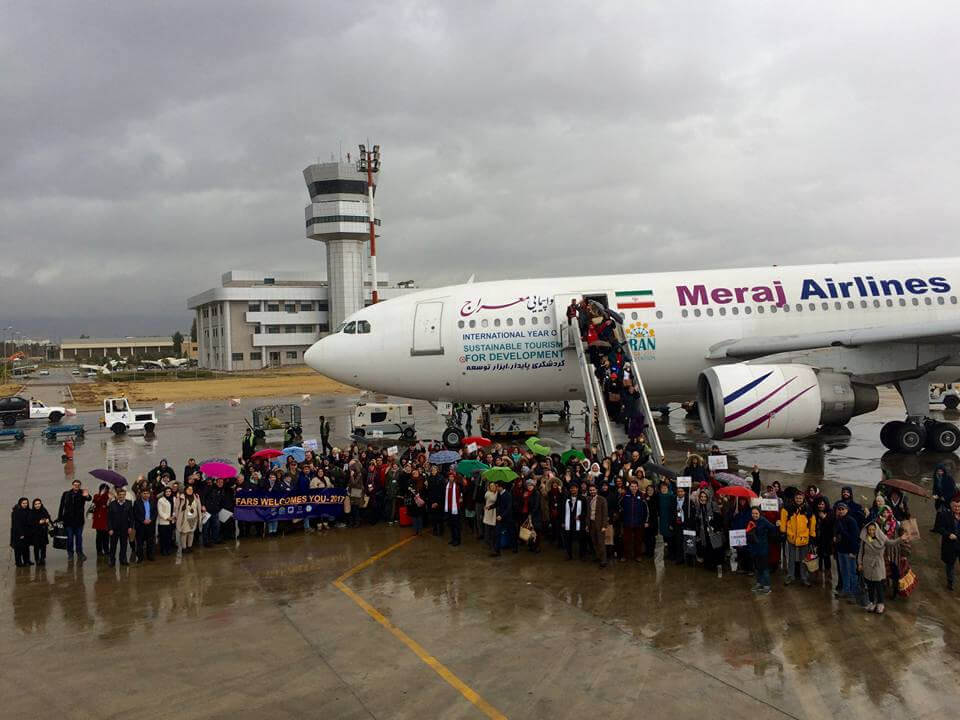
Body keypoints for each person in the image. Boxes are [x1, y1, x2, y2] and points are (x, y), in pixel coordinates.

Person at [858, 519, 906, 613]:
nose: (871, 531)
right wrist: (859, 563)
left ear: (876, 530)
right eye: (869, 530)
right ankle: (872, 602)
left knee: (878, 585)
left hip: (878, 564)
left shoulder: (882, 538)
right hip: (867, 564)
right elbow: (861, 552)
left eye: (873, 529)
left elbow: (891, 543)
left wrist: (901, 538)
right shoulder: (865, 540)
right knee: (870, 585)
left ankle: (880, 603)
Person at [780, 490, 816, 586]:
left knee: (803, 559)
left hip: (804, 538)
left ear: (803, 498)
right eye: (797, 498)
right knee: (791, 558)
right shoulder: (787, 508)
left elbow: (812, 523)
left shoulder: (808, 509)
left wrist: (812, 535)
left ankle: (804, 577)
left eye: (800, 498)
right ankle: (790, 576)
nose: (798, 500)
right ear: (794, 498)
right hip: (791, 537)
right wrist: (783, 532)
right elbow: (783, 521)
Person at [56, 479, 90, 560]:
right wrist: (60, 518)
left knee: (79, 538)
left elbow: (89, 498)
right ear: (72, 485)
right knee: (70, 538)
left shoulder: (83, 493)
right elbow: (61, 506)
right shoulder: (66, 494)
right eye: (75, 485)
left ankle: (80, 553)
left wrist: (87, 496)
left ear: (80, 486)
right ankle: (70, 553)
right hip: (68, 521)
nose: (76, 486)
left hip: (79, 521)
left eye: (78, 485)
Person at [833, 503, 861, 600]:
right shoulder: (838, 520)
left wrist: (854, 551)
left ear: (847, 510)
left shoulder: (851, 521)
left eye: (842, 509)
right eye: (839, 509)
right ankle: (846, 590)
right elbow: (836, 533)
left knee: (852, 572)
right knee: (843, 571)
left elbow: (855, 537)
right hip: (840, 550)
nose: (841, 511)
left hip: (849, 551)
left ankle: (854, 594)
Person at [746, 507, 775, 594]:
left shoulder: (764, 520)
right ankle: (759, 583)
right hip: (755, 549)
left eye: (756, 513)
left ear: (759, 513)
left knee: (764, 568)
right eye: (753, 513)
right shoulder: (750, 522)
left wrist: (765, 537)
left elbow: (772, 528)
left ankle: (767, 586)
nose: (754, 515)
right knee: (758, 568)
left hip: (763, 549)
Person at [620, 479, 647, 562]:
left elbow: (646, 510)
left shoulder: (642, 496)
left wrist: (645, 521)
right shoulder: (625, 495)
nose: (634, 488)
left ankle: (638, 556)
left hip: (638, 522)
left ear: (637, 487)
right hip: (627, 522)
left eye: (635, 486)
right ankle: (625, 556)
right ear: (629, 487)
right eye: (632, 486)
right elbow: (619, 506)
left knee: (638, 540)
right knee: (626, 540)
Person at [107, 488, 134, 567]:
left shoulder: (129, 503)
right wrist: (110, 528)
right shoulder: (112, 504)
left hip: (125, 529)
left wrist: (130, 527)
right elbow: (109, 518)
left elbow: (131, 517)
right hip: (114, 529)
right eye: (120, 495)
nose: (121, 496)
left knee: (124, 545)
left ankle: (123, 559)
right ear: (117, 496)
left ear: (125, 495)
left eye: (123, 495)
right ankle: (112, 560)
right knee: (113, 546)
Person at [562, 483, 586, 561]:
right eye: (571, 488)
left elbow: (585, 511)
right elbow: (562, 511)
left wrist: (580, 516)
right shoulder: (566, 498)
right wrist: (563, 522)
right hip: (568, 522)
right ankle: (569, 555)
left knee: (581, 539)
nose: (573, 489)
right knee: (568, 539)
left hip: (579, 522)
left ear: (578, 489)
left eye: (575, 488)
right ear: (570, 489)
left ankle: (582, 555)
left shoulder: (582, 498)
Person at [492, 480, 515, 557]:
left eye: (497, 486)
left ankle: (514, 547)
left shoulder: (508, 495)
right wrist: (490, 507)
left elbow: (509, 508)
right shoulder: (499, 494)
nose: (496, 487)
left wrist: (502, 516)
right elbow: (497, 503)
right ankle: (497, 551)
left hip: (508, 517)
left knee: (511, 532)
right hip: (500, 518)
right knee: (497, 533)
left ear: (501, 487)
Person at [133, 488, 156, 562]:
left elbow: (155, 512)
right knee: (140, 542)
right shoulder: (137, 502)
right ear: (141, 494)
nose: (146, 495)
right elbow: (135, 514)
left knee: (150, 541)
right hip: (140, 525)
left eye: (147, 493)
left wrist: (151, 519)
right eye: (144, 493)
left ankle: (150, 556)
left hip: (150, 524)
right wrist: (143, 520)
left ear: (149, 494)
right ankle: (140, 557)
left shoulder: (153, 502)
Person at [176, 486, 202, 553]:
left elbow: (199, 506)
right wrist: (176, 516)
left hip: (194, 518)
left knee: (191, 532)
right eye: (188, 489)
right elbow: (177, 507)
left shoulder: (196, 497)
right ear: (185, 490)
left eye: (191, 489)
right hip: (184, 518)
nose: (190, 490)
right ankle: (184, 548)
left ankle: (190, 546)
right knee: (184, 533)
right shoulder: (182, 497)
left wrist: (200, 516)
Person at [202, 478, 225, 546]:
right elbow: (203, 496)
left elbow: (221, 500)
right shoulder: (210, 488)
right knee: (206, 527)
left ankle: (215, 539)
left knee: (216, 526)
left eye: (222, 482)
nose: (220, 483)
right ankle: (206, 541)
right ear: (216, 482)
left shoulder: (222, 490)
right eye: (219, 482)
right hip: (207, 511)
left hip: (215, 511)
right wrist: (203, 505)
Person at [29, 498, 52, 566]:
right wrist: (38, 522)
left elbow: (48, 516)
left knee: (43, 546)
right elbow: (30, 522)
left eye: (39, 503)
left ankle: (42, 558)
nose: (37, 505)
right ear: (34, 505)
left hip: (43, 531)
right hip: (35, 533)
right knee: (36, 547)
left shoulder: (43, 510)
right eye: (36, 504)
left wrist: (48, 519)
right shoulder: (32, 512)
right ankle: (37, 559)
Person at [10, 498, 32, 567]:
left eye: (26, 503)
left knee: (26, 547)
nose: (25, 504)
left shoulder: (29, 510)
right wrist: (21, 533)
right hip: (18, 533)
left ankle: (27, 560)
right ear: (20, 503)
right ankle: (18, 562)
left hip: (26, 532)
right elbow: (16, 524)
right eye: (23, 503)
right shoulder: (16, 512)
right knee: (18, 548)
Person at [444, 471, 463, 547]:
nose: (451, 478)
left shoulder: (458, 485)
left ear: (454, 478)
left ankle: (457, 540)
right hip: (449, 508)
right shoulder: (447, 485)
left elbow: (462, 492)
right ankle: (453, 539)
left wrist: (461, 497)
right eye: (450, 477)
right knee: (451, 525)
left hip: (455, 508)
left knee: (456, 525)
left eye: (452, 477)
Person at [91, 484, 111, 557]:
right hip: (98, 518)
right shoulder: (96, 496)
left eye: (106, 489)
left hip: (106, 518)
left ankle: (106, 550)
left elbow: (110, 506)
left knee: (106, 535)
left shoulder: (109, 496)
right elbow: (96, 502)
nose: (104, 490)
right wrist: (101, 495)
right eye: (103, 489)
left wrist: (109, 500)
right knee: (99, 536)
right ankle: (99, 550)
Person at [157, 486, 177, 555]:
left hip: (172, 521)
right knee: (163, 537)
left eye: (169, 491)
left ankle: (168, 549)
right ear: (164, 493)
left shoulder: (174, 499)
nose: (168, 493)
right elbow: (160, 512)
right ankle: (163, 550)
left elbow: (175, 509)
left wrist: (174, 515)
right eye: (166, 492)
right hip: (163, 522)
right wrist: (167, 518)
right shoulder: (161, 500)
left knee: (169, 536)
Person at [482, 481, 498, 552]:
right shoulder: (488, 493)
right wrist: (497, 492)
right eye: (491, 486)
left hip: (494, 512)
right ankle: (488, 541)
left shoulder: (496, 493)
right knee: (488, 528)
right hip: (489, 512)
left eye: (494, 486)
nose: (492, 487)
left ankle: (491, 542)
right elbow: (494, 499)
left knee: (493, 529)